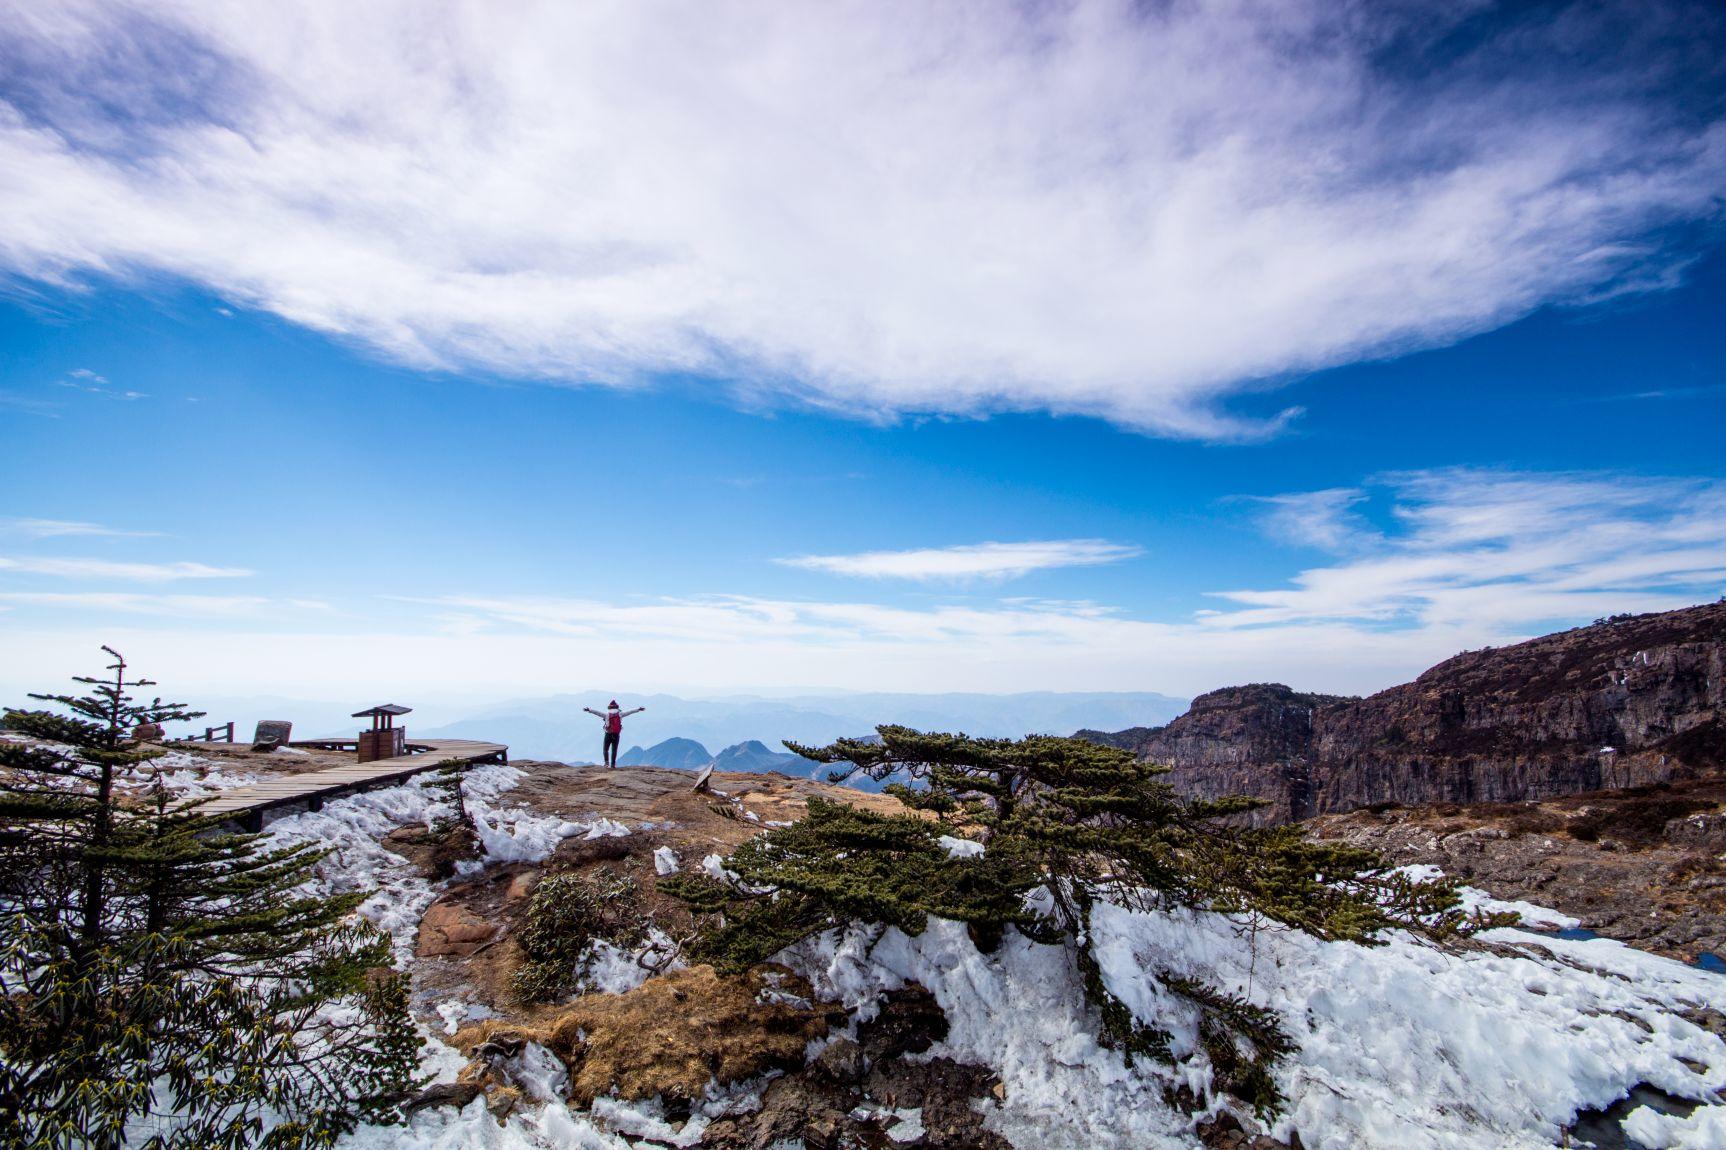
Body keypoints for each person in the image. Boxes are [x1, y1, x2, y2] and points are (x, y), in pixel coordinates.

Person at [583, 699, 644, 768]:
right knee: (614, 750)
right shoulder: (620, 714)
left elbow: (597, 713)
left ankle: (606, 763)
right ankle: (613, 764)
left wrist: (589, 710)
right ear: (617, 708)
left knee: (605, 749)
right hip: (616, 734)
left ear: (609, 708)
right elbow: (629, 712)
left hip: (608, 734)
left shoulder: (606, 715)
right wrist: (638, 709)